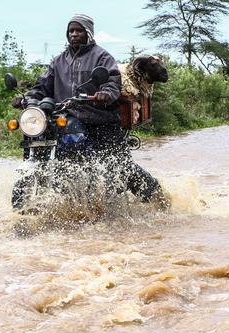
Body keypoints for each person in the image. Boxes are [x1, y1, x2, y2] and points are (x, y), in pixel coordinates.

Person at [13, 14, 165, 205]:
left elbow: (111, 81)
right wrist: (27, 98)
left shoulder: (102, 57)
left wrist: (105, 93)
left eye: (79, 30)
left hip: (99, 117)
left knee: (118, 165)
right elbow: (42, 86)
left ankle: (154, 196)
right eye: (71, 31)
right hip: (68, 117)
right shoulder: (59, 61)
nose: (74, 34)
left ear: (88, 33)